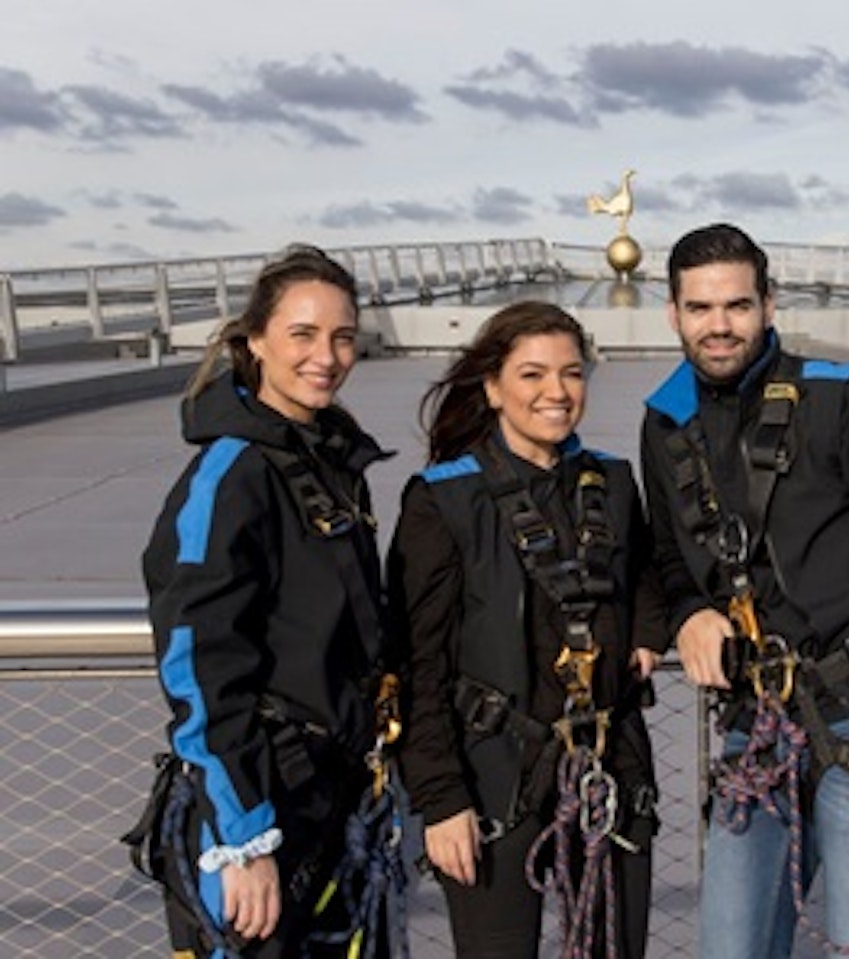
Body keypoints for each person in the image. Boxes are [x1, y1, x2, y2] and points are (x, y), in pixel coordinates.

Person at [640, 223, 849, 958]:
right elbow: (668, 557)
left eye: (738, 306)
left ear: (769, 304)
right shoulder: (666, 422)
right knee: (730, 946)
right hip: (758, 722)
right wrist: (688, 610)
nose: (720, 326)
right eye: (701, 308)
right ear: (674, 313)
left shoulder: (839, 403)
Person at [136, 244, 402, 957]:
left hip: (332, 793)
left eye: (343, 336)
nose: (327, 355)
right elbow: (199, 660)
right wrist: (242, 837)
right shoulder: (232, 473)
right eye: (303, 334)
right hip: (262, 803)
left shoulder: (329, 461)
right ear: (256, 341)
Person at [388, 302, 664, 959]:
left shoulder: (613, 482)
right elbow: (415, 665)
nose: (556, 392)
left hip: (607, 763)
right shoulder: (442, 500)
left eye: (571, 373)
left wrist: (648, 630)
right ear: (492, 387)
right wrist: (440, 798)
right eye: (533, 374)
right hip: (492, 775)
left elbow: (650, 572)